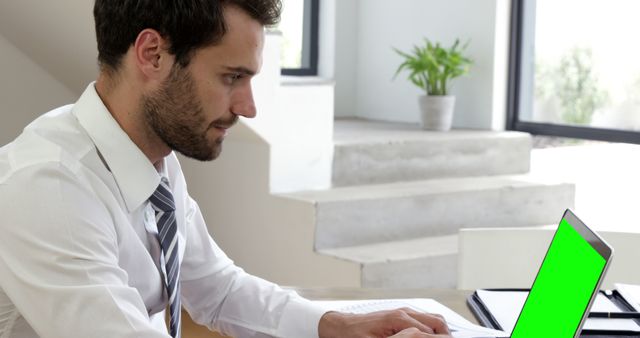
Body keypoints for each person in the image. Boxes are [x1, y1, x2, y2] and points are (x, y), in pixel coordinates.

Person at [0, 1, 453, 337]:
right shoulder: (49, 186)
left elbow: (216, 288)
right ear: (153, 54)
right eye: (232, 77)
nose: (249, 108)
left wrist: (335, 326)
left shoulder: (150, 157)